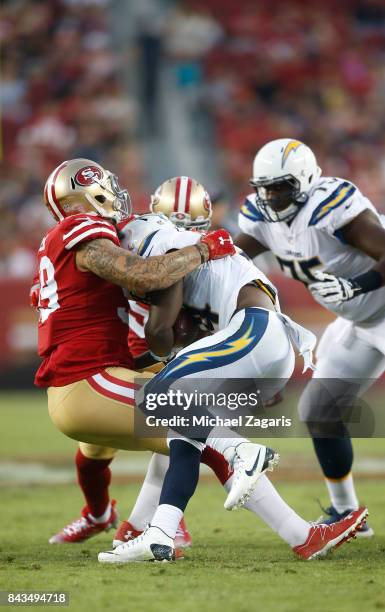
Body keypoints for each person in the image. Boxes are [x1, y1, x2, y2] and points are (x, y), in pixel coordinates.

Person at [98, 176, 367, 563]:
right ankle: (156, 532)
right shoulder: (191, 251)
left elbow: (158, 332)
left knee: (156, 395)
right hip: (263, 344)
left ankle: (242, 453)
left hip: (254, 332)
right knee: (185, 433)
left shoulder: (156, 235)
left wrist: (158, 337)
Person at [36, 158, 288, 560]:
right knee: (194, 424)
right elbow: (147, 276)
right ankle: (245, 495)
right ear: (87, 194)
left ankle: (123, 521)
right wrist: (203, 248)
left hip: (105, 365)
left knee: (165, 429)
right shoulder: (84, 228)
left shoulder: (81, 240)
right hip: (90, 375)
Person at [235, 138, 385, 534]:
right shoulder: (263, 217)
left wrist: (357, 284)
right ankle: (347, 513)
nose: (270, 196)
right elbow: (233, 259)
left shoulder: (331, 207)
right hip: (361, 323)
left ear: (303, 180)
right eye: (264, 188)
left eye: (279, 186)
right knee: (320, 412)